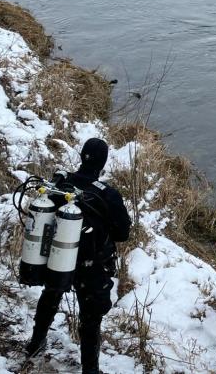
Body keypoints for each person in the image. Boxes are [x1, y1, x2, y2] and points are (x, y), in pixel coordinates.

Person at [24, 138, 132, 374]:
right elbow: (123, 233)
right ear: (103, 163)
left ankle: (35, 343)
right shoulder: (108, 195)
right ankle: (90, 370)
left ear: (81, 156)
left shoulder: (60, 183)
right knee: (91, 318)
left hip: (59, 257)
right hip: (90, 265)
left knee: (51, 295)